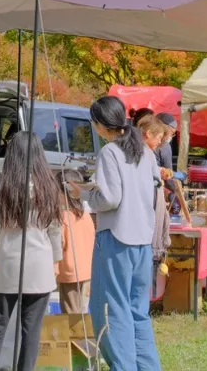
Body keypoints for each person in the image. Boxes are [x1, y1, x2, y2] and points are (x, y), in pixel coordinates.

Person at [69, 96, 161, 371]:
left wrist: (84, 197)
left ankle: (123, 366)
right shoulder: (145, 151)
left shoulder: (110, 152)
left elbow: (110, 198)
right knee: (137, 312)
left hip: (117, 239)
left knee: (111, 310)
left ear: (99, 124)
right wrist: (94, 190)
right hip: (143, 241)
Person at [0, 132, 62, 371]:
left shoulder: (0, 185)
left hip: (8, 260)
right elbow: (55, 228)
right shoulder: (49, 185)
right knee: (32, 329)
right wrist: (57, 260)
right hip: (41, 261)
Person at [56, 169, 95, 314]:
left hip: (69, 274)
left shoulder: (62, 217)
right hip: (87, 272)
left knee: (71, 315)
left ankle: (76, 338)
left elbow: (58, 245)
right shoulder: (86, 215)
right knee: (82, 311)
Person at [136, 115, 172, 276]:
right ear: (148, 133)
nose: (160, 143)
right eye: (158, 138)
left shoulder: (148, 153)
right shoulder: (140, 153)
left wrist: (159, 172)